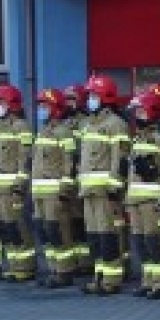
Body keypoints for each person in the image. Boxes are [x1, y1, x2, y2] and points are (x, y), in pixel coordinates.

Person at [125, 84, 160, 299]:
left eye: (140, 111)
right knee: (141, 241)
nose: (137, 115)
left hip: (153, 200)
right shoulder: (139, 138)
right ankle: (148, 280)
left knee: (156, 240)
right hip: (136, 200)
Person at [77, 74, 132, 295]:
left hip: (105, 193)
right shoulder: (88, 125)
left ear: (105, 97)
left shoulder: (116, 125)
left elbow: (119, 160)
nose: (90, 99)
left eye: (93, 95)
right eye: (89, 95)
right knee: (95, 237)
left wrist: (115, 189)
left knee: (109, 236)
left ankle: (111, 280)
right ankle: (98, 277)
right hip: (89, 191)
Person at [29, 87, 79, 289]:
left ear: (55, 108)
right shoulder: (42, 132)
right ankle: (53, 269)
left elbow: (69, 162)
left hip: (54, 193)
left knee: (58, 230)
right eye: (40, 105)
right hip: (40, 192)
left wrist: (65, 189)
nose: (41, 109)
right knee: (45, 232)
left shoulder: (64, 132)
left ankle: (65, 271)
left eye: (44, 105)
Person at [0, 83, 36, 283]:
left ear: (11, 104)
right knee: (3, 228)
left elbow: (25, 159)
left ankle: (25, 267)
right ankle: (14, 266)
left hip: (10, 190)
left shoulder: (21, 127)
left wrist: (19, 187)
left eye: (0, 102)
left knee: (17, 227)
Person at [61, 84, 92, 277]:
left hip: (80, 178)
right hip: (67, 179)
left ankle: (86, 262)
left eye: (72, 99)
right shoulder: (64, 123)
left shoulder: (86, 123)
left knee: (82, 222)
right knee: (70, 222)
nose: (68, 103)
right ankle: (74, 261)